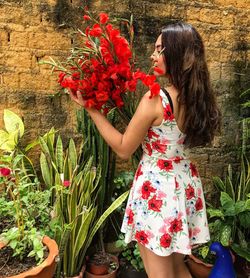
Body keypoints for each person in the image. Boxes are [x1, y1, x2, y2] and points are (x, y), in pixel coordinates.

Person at [70, 21, 220, 278]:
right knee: (177, 267)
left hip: (158, 193)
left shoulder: (156, 100)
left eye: (160, 49)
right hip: (182, 184)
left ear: (177, 54)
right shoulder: (195, 97)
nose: (153, 55)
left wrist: (91, 109)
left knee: (160, 273)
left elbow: (123, 148)